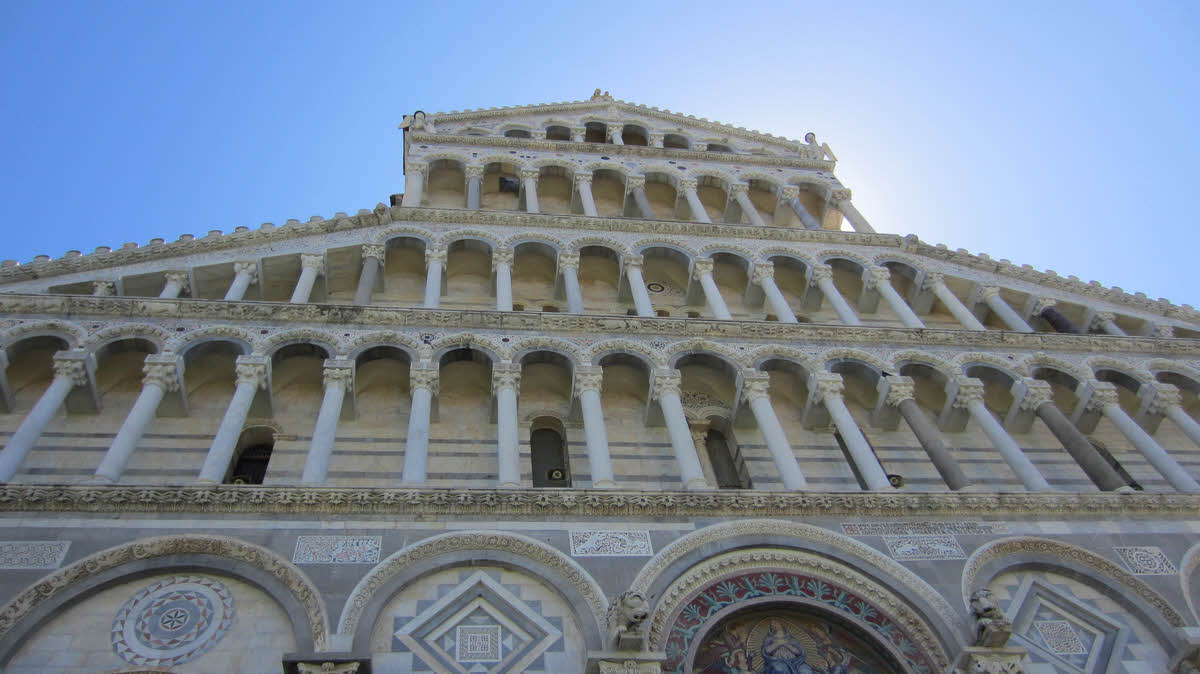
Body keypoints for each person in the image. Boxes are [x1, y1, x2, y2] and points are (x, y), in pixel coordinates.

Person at [761, 620, 850, 674]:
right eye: (772, 625)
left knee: (806, 670)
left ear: (782, 625)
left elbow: (799, 652)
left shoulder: (791, 639)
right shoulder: (770, 639)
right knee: (779, 669)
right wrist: (778, 644)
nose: (774, 625)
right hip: (778, 661)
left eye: (776, 623)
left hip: (796, 662)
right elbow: (766, 651)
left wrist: (786, 644)